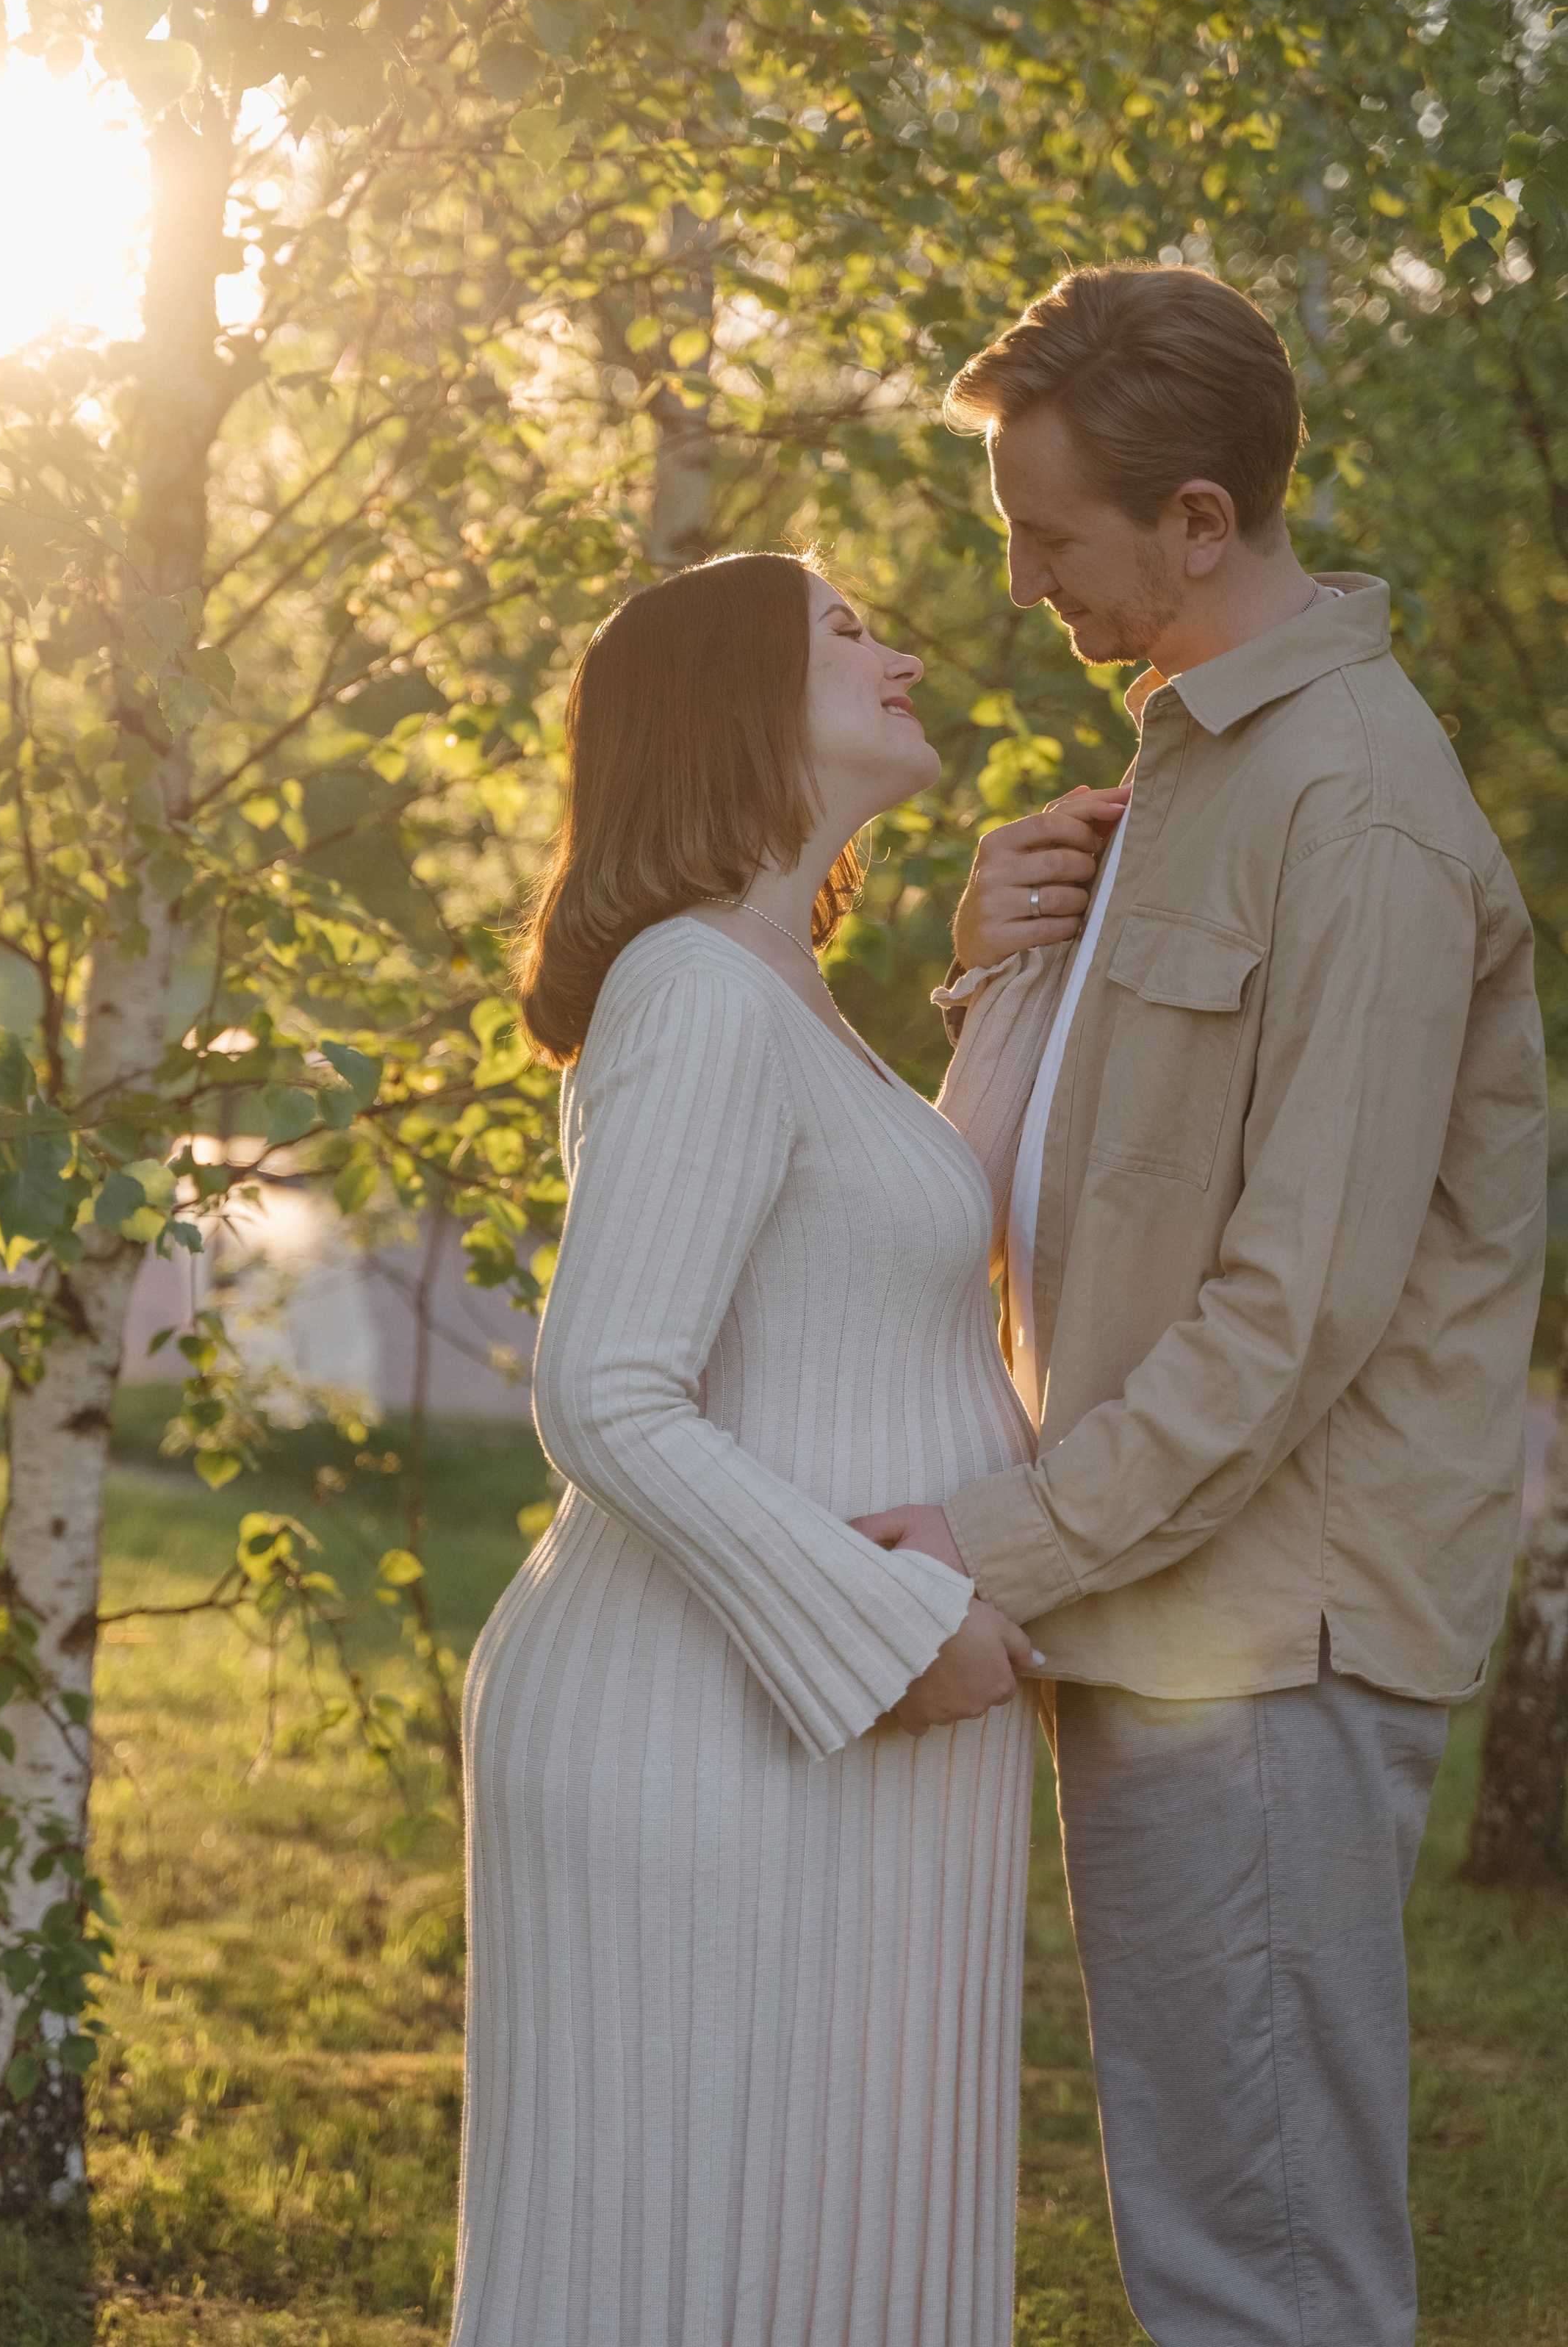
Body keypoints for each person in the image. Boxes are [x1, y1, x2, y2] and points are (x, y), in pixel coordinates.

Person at [857, 264, 1549, 2347]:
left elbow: (1294, 1313)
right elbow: (1084, 1171)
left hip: (1263, 1633)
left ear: (1197, 522)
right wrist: (990, 962)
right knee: (1212, 2215)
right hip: (1172, 1601)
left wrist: (993, 1544)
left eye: (1050, 539)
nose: (1021, 585)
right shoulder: (1192, 765)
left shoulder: (1353, 807)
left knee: (1265, 2265)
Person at [450, 551, 1040, 2347]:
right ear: (727, 703)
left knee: (831, 2254)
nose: (906, 649)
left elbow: (892, 1257)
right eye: (847, 630)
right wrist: (892, 1629)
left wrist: (997, 979)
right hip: (714, 1728)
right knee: (703, 2263)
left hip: (812, 1728)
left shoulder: (774, 997)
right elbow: (606, 1390)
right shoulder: (695, 994)